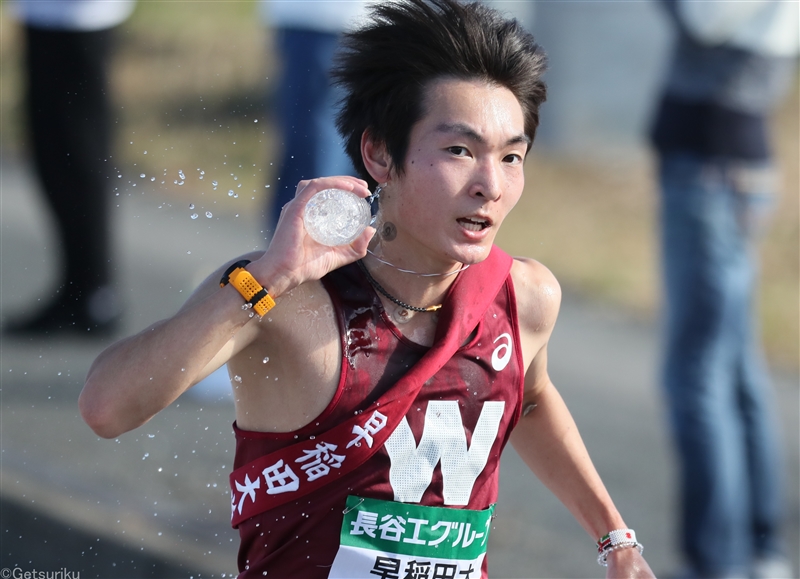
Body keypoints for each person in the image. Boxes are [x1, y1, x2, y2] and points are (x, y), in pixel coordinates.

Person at [79, 1, 657, 577]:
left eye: (511, 156)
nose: (490, 185)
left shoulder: (523, 297)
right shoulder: (289, 300)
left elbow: (528, 400)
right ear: (380, 153)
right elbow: (106, 409)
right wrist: (269, 278)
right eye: (459, 150)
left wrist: (615, 538)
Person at [650, 2, 798, 578]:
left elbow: (707, 17)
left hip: (711, 168)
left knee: (696, 377)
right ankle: (759, 549)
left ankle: (717, 562)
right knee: (733, 368)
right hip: (725, 161)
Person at [4, 0, 135, 337]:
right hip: (50, 12)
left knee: (76, 148)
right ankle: (81, 287)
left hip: (75, 15)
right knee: (54, 147)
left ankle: (92, 290)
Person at [258, 1, 367, 234]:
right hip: (361, 22)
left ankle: (302, 260)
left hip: (323, 20)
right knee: (360, 154)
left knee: (314, 160)